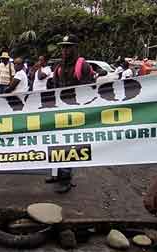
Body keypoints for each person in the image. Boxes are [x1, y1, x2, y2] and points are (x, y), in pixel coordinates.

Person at [49, 34, 95, 194]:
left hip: (76, 113)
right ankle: (57, 173)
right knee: (57, 142)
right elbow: (53, 89)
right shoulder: (59, 67)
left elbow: (89, 91)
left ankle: (66, 178)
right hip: (60, 110)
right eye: (63, 47)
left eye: (68, 47)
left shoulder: (83, 67)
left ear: (75, 48)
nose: (65, 50)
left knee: (69, 145)